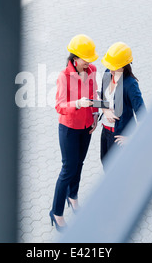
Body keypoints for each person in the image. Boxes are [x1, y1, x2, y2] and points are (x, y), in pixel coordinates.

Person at [50, 34, 100, 231]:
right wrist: (78, 104)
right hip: (69, 128)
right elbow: (59, 106)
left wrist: (95, 114)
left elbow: (94, 92)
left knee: (79, 164)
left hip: (87, 126)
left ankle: (73, 196)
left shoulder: (93, 70)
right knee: (68, 170)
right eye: (85, 60)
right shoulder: (64, 76)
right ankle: (56, 212)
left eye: (90, 60)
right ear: (75, 58)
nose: (88, 63)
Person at [99, 42, 145, 168]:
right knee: (106, 165)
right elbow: (102, 96)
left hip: (119, 136)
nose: (111, 70)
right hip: (106, 132)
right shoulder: (108, 73)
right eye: (110, 66)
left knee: (117, 171)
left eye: (115, 67)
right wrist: (105, 110)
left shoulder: (131, 85)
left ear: (124, 66)